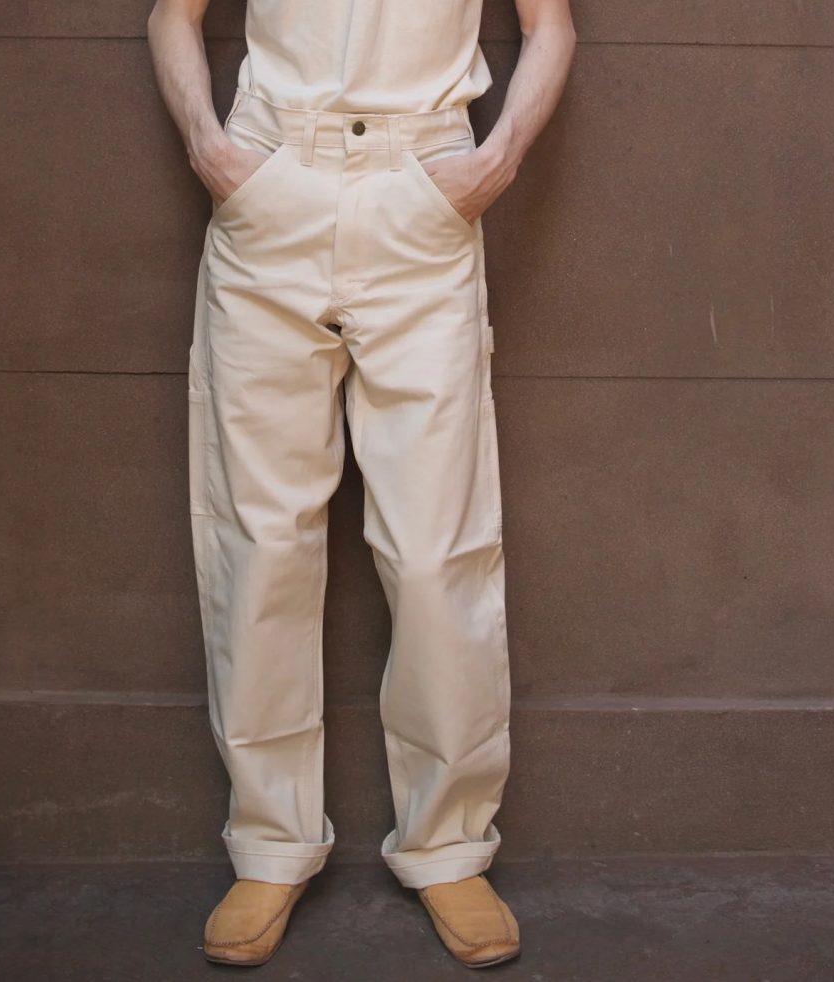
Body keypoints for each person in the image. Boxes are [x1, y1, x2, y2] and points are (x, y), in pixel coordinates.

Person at [147, 0, 576, 967]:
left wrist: (496, 161)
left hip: (421, 191)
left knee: (435, 550)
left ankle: (449, 846)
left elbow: (551, 25)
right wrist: (210, 148)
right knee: (261, 540)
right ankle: (270, 843)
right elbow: (173, 15)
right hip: (272, 185)